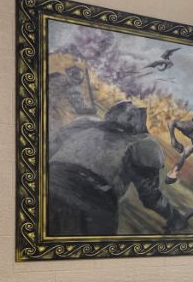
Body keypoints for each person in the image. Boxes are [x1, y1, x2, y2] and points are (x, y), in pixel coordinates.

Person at [46, 100, 185, 236]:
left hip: (50, 186)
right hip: (92, 204)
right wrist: (173, 216)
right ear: (134, 121)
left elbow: (49, 150)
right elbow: (150, 196)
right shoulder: (139, 144)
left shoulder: (83, 126)